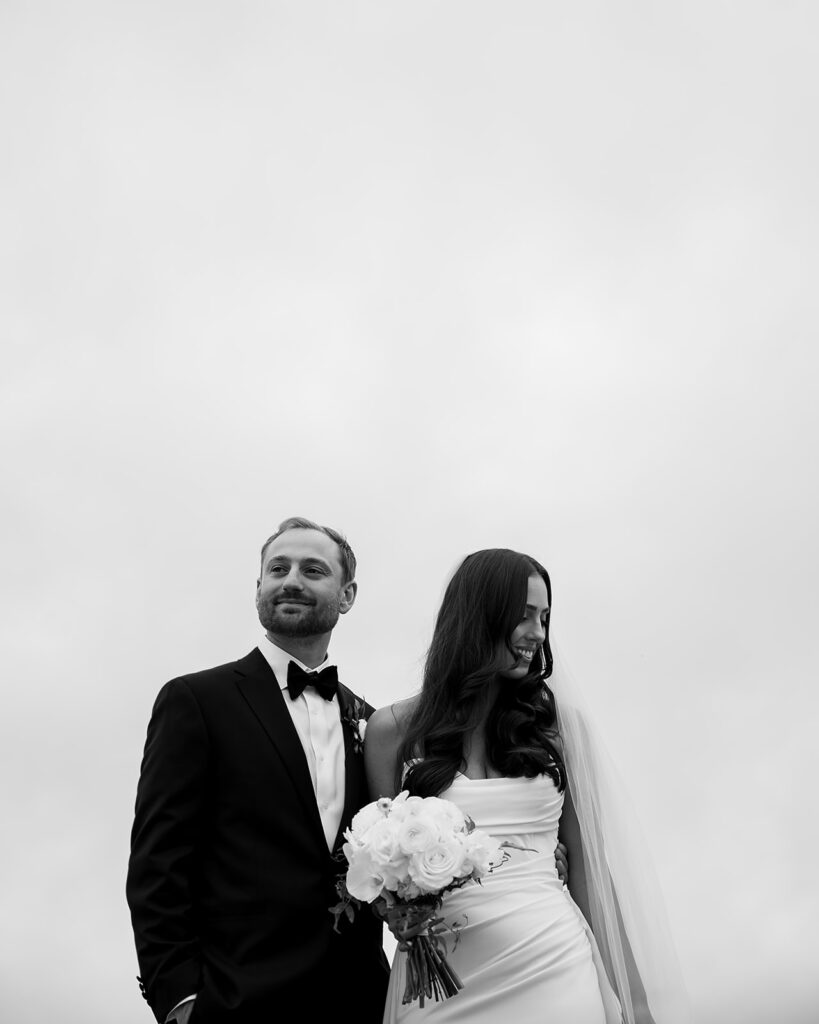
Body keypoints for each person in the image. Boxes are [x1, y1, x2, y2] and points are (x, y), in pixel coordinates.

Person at [364, 548, 687, 1024]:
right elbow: (380, 878)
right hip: (439, 983)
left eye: (544, 617)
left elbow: (591, 874)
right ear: (478, 617)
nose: (537, 633)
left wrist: (637, 1005)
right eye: (523, 616)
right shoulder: (392, 731)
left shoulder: (558, 727)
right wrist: (394, 910)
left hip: (554, 966)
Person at [127, 517, 390, 1024]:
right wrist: (179, 998)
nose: (290, 580)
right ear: (258, 589)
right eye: (278, 568)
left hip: (359, 1001)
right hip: (234, 1001)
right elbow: (158, 862)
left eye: (313, 570)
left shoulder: (374, 724)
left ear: (347, 594)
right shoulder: (196, 701)